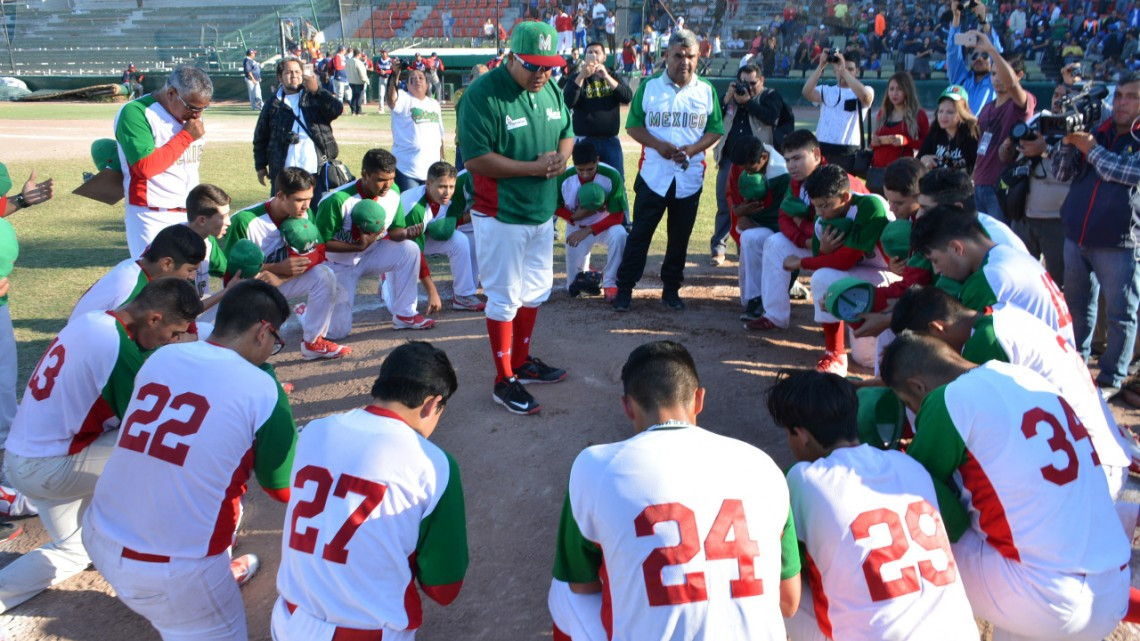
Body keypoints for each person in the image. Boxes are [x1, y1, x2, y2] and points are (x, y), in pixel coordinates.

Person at [879, 331, 1131, 641]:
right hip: (1115, 583)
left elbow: (918, 488)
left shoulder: (949, 399)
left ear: (917, 386)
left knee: (901, 478)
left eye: (908, 402)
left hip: (1049, 599)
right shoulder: (1022, 374)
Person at [81, 280, 294, 639]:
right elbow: (282, 487)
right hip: (174, 571)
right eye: (276, 341)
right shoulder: (262, 386)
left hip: (99, 535)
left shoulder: (163, 356)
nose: (272, 350)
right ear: (263, 331)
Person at [549, 341, 800, 640]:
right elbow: (789, 602)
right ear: (699, 400)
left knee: (564, 594)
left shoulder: (595, 465)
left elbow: (581, 584)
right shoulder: (762, 465)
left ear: (627, 405)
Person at [0, 279, 201, 614]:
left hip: (28, 460)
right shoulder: (117, 349)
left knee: (74, 551)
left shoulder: (95, 321)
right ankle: (179, 551)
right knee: (169, 441)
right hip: (51, 467)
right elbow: (148, 421)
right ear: (154, 319)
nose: (173, 339)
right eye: (173, 332)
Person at [272, 341, 467, 639]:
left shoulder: (314, 431)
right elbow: (444, 589)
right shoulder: (434, 464)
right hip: (365, 632)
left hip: (288, 620)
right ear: (431, 404)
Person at [766, 370, 978, 641]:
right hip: (960, 634)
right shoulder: (909, 465)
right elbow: (957, 523)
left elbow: (781, 562)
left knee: (775, 581)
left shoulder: (802, 478)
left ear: (801, 434)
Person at [891, 286, 1140, 504]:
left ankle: (1117, 511)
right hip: (1098, 455)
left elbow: (929, 463)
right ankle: (1120, 513)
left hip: (1094, 474)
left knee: (959, 489)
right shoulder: (1002, 314)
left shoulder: (985, 345)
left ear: (936, 329)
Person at [456, 21, 574, 416]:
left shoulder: (552, 89)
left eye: (549, 67)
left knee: (536, 290)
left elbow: (567, 130)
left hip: (541, 213)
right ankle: (503, 379)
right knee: (504, 297)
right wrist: (533, 167)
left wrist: (562, 156)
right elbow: (475, 159)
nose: (542, 74)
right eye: (533, 66)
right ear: (510, 58)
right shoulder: (482, 94)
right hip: (501, 214)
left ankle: (521, 362)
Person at [612, 29, 724, 312]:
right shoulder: (650, 87)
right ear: (666, 56)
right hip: (653, 175)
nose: (684, 61)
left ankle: (671, 290)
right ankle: (625, 288)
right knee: (640, 236)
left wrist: (694, 148)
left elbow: (715, 130)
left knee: (679, 238)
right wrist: (658, 144)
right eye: (678, 55)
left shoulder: (706, 90)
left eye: (690, 56)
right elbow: (633, 125)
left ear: (698, 57)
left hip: (689, 177)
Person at [1053, 71, 1140, 398]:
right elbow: (1063, 174)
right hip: (1077, 233)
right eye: (1119, 95)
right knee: (1076, 306)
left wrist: (1089, 148)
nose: (1123, 103)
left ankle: (1112, 378)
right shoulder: (1097, 130)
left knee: (1121, 313)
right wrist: (1067, 145)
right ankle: (1076, 364)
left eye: (1132, 96)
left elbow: (1127, 172)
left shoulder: (1102, 139)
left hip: (1120, 240)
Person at [781, 164, 895, 376]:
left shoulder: (870, 207)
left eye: (824, 206)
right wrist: (823, 251)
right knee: (823, 278)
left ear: (844, 197)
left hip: (890, 277)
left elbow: (844, 261)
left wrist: (801, 263)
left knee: (868, 359)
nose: (819, 213)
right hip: (861, 276)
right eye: (816, 206)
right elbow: (825, 262)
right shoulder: (822, 217)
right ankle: (834, 353)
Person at [747, 130, 865, 333]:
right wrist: (805, 241)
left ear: (817, 155)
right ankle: (773, 316)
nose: (791, 165)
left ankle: (837, 322)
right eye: (787, 160)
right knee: (774, 243)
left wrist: (805, 229)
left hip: (852, 252)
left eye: (797, 158)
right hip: (817, 243)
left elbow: (834, 230)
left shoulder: (837, 181)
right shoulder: (796, 182)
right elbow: (784, 217)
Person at [227, 167, 350, 359]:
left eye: (309, 198)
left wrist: (284, 275)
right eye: (300, 200)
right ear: (281, 195)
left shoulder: (303, 215)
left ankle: (313, 341)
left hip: (280, 283)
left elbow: (319, 253)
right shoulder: (246, 221)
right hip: (248, 291)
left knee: (324, 274)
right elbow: (231, 273)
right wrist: (274, 268)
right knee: (247, 347)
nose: (306, 206)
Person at [910, 204, 1073, 345]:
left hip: (1041, 376)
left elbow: (962, 344)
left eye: (935, 260)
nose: (937, 270)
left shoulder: (991, 279)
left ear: (956, 248)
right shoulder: (1009, 255)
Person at [313, 149, 429, 336]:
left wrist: (407, 233)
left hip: (371, 254)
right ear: (365, 175)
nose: (387, 185)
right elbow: (319, 246)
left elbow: (395, 230)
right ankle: (306, 314)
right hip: (338, 264)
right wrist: (357, 246)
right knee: (337, 333)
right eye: (381, 180)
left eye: (391, 178)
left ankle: (405, 314)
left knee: (410, 249)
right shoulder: (336, 200)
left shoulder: (394, 192)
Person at [115, 65, 211, 258]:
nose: (197, 115)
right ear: (171, 93)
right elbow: (145, 167)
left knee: (197, 281)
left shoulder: (187, 116)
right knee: (159, 284)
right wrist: (185, 137)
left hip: (191, 212)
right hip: (152, 214)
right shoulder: (136, 112)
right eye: (193, 108)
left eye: (203, 109)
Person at [710, 63, 794, 265]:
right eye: (742, 83)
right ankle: (718, 248)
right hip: (730, 157)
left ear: (762, 81)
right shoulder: (732, 97)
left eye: (752, 83)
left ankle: (745, 246)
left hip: (760, 161)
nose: (747, 87)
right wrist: (726, 99)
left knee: (756, 204)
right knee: (725, 203)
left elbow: (771, 116)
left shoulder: (769, 96)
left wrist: (748, 102)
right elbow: (714, 119)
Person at [996, 83, 1072, 286]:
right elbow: (1005, 156)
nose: (1058, 100)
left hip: (1057, 220)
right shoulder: (1037, 120)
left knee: (1058, 282)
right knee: (1021, 278)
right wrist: (1009, 143)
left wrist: (1045, 149)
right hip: (1024, 214)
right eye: (1056, 94)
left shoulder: (1078, 129)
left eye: (1065, 96)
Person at [70, 223, 205, 322]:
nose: (191, 277)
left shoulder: (136, 264)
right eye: (190, 270)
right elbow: (118, 338)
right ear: (166, 264)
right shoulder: (131, 288)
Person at [253, 57, 344, 202]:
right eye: (288, 72)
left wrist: (317, 91)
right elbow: (261, 137)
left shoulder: (314, 96)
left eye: (297, 71)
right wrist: (260, 166)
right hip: (284, 172)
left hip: (315, 170)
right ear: (279, 77)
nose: (294, 75)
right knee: (282, 217)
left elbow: (337, 109)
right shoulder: (273, 103)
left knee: (316, 215)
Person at [399, 161, 485, 311]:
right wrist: (432, 291)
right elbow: (416, 253)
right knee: (398, 307)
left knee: (459, 240)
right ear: (428, 183)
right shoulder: (415, 209)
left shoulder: (445, 198)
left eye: (451, 187)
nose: (447, 192)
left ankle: (462, 296)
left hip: (419, 237)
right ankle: (386, 279)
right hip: (394, 246)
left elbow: (449, 222)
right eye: (442, 187)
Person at [968, 32, 1033, 222]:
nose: (997, 78)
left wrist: (991, 50)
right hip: (980, 183)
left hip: (1001, 186)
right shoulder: (987, 107)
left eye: (1002, 73)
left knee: (1001, 243)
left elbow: (1012, 85)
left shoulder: (1020, 102)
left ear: (1019, 75)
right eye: (994, 73)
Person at [554, 141, 628, 301]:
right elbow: (553, 205)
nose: (586, 174)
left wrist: (588, 230)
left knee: (620, 234)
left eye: (590, 169)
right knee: (574, 288)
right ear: (573, 164)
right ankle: (589, 271)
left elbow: (618, 216)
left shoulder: (611, 175)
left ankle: (610, 283)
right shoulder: (564, 177)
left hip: (605, 226)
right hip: (576, 226)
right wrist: (573, 217)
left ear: (597, 160)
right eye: (580, 170)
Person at [729, 137, 790, 322]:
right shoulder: (742, 166)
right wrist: (739, 212)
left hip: (784, 232)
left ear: (764, 157)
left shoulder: (783, 174)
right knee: (749, 238)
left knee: (767, 240)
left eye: (750, 169)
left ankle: (777, 293)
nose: (746, 173)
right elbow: (737, 203)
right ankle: (754, 299)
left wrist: (751, 220)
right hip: (762, 226)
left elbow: (784, 217)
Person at [561, 41, 633, 182]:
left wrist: (606, 76)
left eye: (597, 52)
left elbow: (627, 96)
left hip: (610, 140)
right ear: (585, 56)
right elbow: (567, 102)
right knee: (585, 182)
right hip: (585, 140)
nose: (593, 55)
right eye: (590, 52)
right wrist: (582, 76)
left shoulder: (612, 75)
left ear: (604, 57)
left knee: (616, 181)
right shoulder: (577, 77)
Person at [801, 51, 873, 173]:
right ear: (834, 70)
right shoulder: (827, 90)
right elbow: (806, 92)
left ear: (857, 71)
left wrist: (844, 71)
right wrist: (821, 66)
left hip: (848, 152)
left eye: (851, 69)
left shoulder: (866, 89)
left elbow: (866, 98)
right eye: (840, 68)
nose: (845, 71)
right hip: (822, 147)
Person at [386, 61, 445, 192]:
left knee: (430, 209)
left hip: (431, 169)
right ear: (407, 85)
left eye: (420, 78)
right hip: (407, 168)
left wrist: (442, 159)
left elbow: (440, 136)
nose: (417, 80)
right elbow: (391, 100)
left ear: (427, 84)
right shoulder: (404, 97)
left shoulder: (434, 104)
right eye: (412, 79)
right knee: (409, 207)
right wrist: (395, 75)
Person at [946, 1, 1003, 115]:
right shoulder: (961, 78)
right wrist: (956, 17)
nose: (979, 59)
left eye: (985, 55)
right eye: (975, 55)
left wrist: (983, 20)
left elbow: (999, 53)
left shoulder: (996, 80)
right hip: (961, 130)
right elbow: (952, 52)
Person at [870, 71, 929, 176]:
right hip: (878, 170)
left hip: (902, 172)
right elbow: (873, 144)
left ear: (907, 91)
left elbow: (927, 144)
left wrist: (906, 141)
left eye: (899, 89)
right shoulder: (882, 113)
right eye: (891, 89)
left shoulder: (919, 114)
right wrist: (874, 143)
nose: (894, 93)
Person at [918, 86, 980, 174]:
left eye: (950, 112)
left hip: (962, 185)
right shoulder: (935, 131)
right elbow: (918, 160)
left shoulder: (972, 133)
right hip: (936, 184)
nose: (943, 116)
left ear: (962, 113)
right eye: (941, 111)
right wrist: (923, 159)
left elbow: (978, 166)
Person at [347, 48, 368, 116]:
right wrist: (366, 80)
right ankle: (358, 111)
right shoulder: (359, 62)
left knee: (354, 96)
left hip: (351, 81)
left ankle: (353, 111)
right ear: (358, 54)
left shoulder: (348, 61)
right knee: (359, 97)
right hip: (359, 82)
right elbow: (362, 73)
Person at [374, 50, 393, 114]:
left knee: (390, 95)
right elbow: (377, 69)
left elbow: (393, 70)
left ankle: (391, 108)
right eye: (381, 53)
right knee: (381, 94)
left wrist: (386, 72)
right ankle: (381, 109)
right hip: (382, 78)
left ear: (387, 53)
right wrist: (380, 72)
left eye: (384, 53)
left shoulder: (391, 61)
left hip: (389, 78)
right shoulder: (379, 61)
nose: (382, 54)